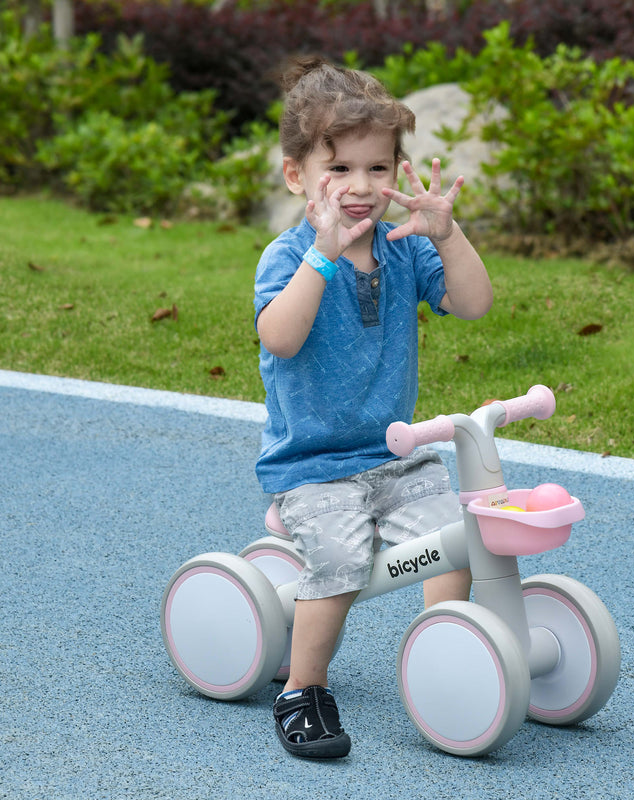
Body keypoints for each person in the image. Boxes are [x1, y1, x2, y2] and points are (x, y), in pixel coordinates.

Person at [253, 56, 493, 759]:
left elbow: (474, 305)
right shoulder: (289, 255)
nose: (361, 188)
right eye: (340, 170)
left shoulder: (402, 249)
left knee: (455, 537)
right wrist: (323, 256)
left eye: (378, 169)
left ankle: (447, 662)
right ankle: (303, 689)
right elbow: (281, 336)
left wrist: (447, 234)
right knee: (340, 558)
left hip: (393, 456)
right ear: (297, 175)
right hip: (314, 467)